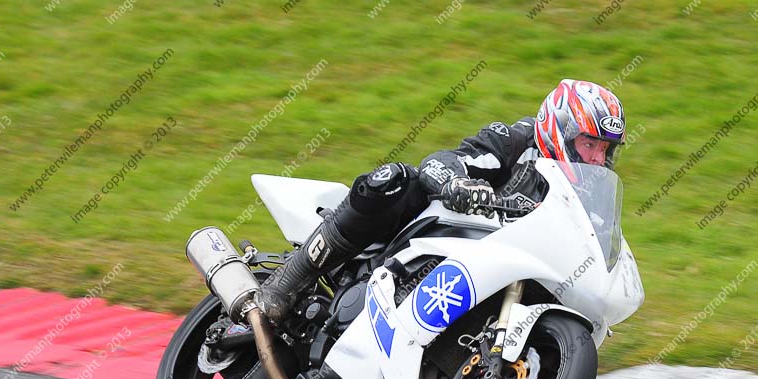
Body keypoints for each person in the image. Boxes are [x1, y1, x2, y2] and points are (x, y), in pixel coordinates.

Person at [255, 79, 626, 322]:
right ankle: (287, 281)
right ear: (559, 130)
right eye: (589, 143)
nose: (596, 158)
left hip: (499, 267)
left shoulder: (591, 193)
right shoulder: (513, 141)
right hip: (439, 231)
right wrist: (460, 185)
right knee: (395, 180)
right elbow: (441, 161)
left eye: (604, 149)